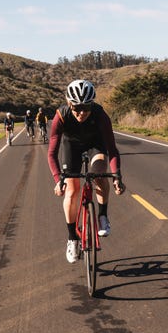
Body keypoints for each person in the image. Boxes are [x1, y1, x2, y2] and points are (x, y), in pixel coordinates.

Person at [47, 79, 125, 263]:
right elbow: (51, 153)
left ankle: (102, 215)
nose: (82, 112)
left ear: (92, 104)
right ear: (69, 104)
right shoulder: (61, 116)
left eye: (86, 107)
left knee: (99, 173)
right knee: (72, 190)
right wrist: (58, 179)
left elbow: (112, 150)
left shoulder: (100, 115)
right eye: (77, 108)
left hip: (95, 145)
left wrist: (117, 176)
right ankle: (72, 239)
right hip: (71, 146)